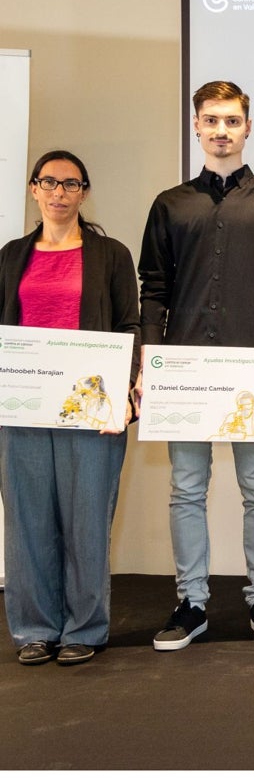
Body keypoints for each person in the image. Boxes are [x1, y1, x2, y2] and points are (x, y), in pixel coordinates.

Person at [138, 80, 254, 651]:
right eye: (211, 120)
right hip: (183, 370)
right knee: (186, 488)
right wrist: (149, 364)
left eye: (232, 120)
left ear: (248, 127)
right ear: (197, 127)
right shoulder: (170, 204)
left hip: (253, 371)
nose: (222, 130)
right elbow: (153, 289)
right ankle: (192, 603)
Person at [0, 150, 140, 665]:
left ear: (84, 192)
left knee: (87, 519)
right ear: (34, 189)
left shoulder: (111, 255)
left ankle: (84, 628)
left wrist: (125, 391)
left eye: (70, 184)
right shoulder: (10, 256)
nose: (59, 192)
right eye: (49, 182)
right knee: (27, 522)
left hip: (91, 409)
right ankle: (35, 627)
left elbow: (130, 325)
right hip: (23, 408)